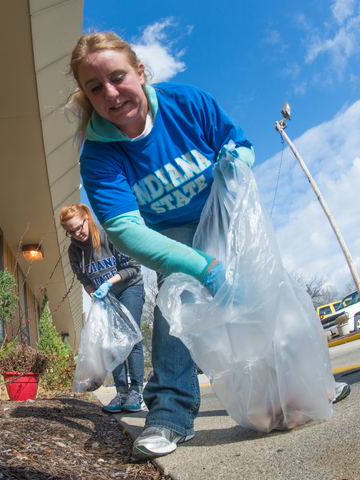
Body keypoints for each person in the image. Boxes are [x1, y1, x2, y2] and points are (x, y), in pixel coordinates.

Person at [65, 32, 350, 459]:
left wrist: (237, 162)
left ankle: (310, 387)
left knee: (270, 291)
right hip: (170, 234)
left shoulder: (186, 102)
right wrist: (206, 268)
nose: (110, 93)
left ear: (140, 73)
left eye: (118, 77)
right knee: (176, 305)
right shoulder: (100, 155)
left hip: (226, 214)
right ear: (87, 95)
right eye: (95, 87)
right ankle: (171, 415)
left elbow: (241, 145)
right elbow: (126, 231)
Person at [60, 203, 146, 413]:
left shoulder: (109, 235)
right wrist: (94, 295)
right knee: (110, 343)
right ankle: (121, 392)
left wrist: (109, 282)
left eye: (79, 227)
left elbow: (133, 267)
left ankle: (136, 391)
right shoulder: (74, 250)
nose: (76, 234)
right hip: (105, 297)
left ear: (86, 218)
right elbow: (83, 277)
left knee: (130, 337)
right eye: (70, 231)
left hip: (128, 289)